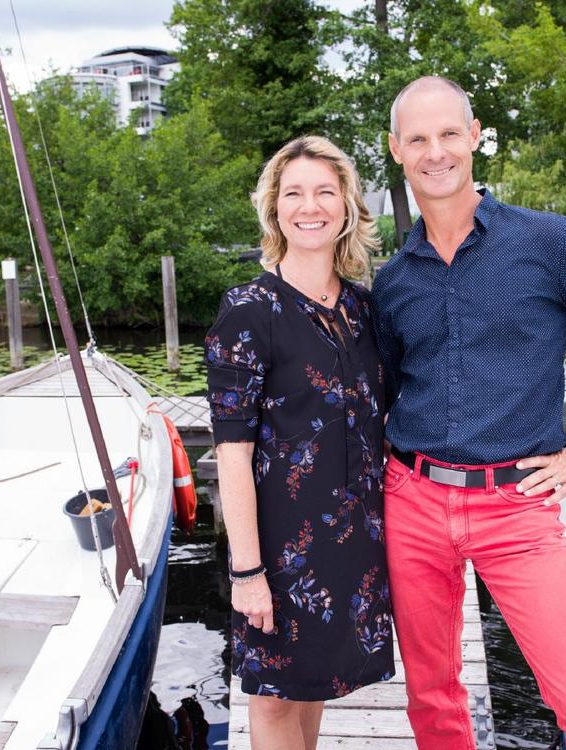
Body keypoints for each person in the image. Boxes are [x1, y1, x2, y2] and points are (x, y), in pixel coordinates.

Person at [371, 76, 566, 750]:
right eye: (418, 138)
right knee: (433, 702)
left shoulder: (549, 242)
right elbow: (381, 392)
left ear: (475, 137)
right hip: (413, 500)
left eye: (449, 133)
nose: (436, 152)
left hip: (517, 505)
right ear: (396, 149)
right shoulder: (393, 281)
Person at [205, 135, 393, 750]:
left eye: (325, 192)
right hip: (280, 550)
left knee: (314, 688)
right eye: (293, 194)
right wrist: (247, 571)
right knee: (275, 702)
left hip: (354, 543)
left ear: (347, 206)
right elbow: (232, 453)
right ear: (274, 208)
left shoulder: (364, 310)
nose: (310, 207)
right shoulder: (248, 310)